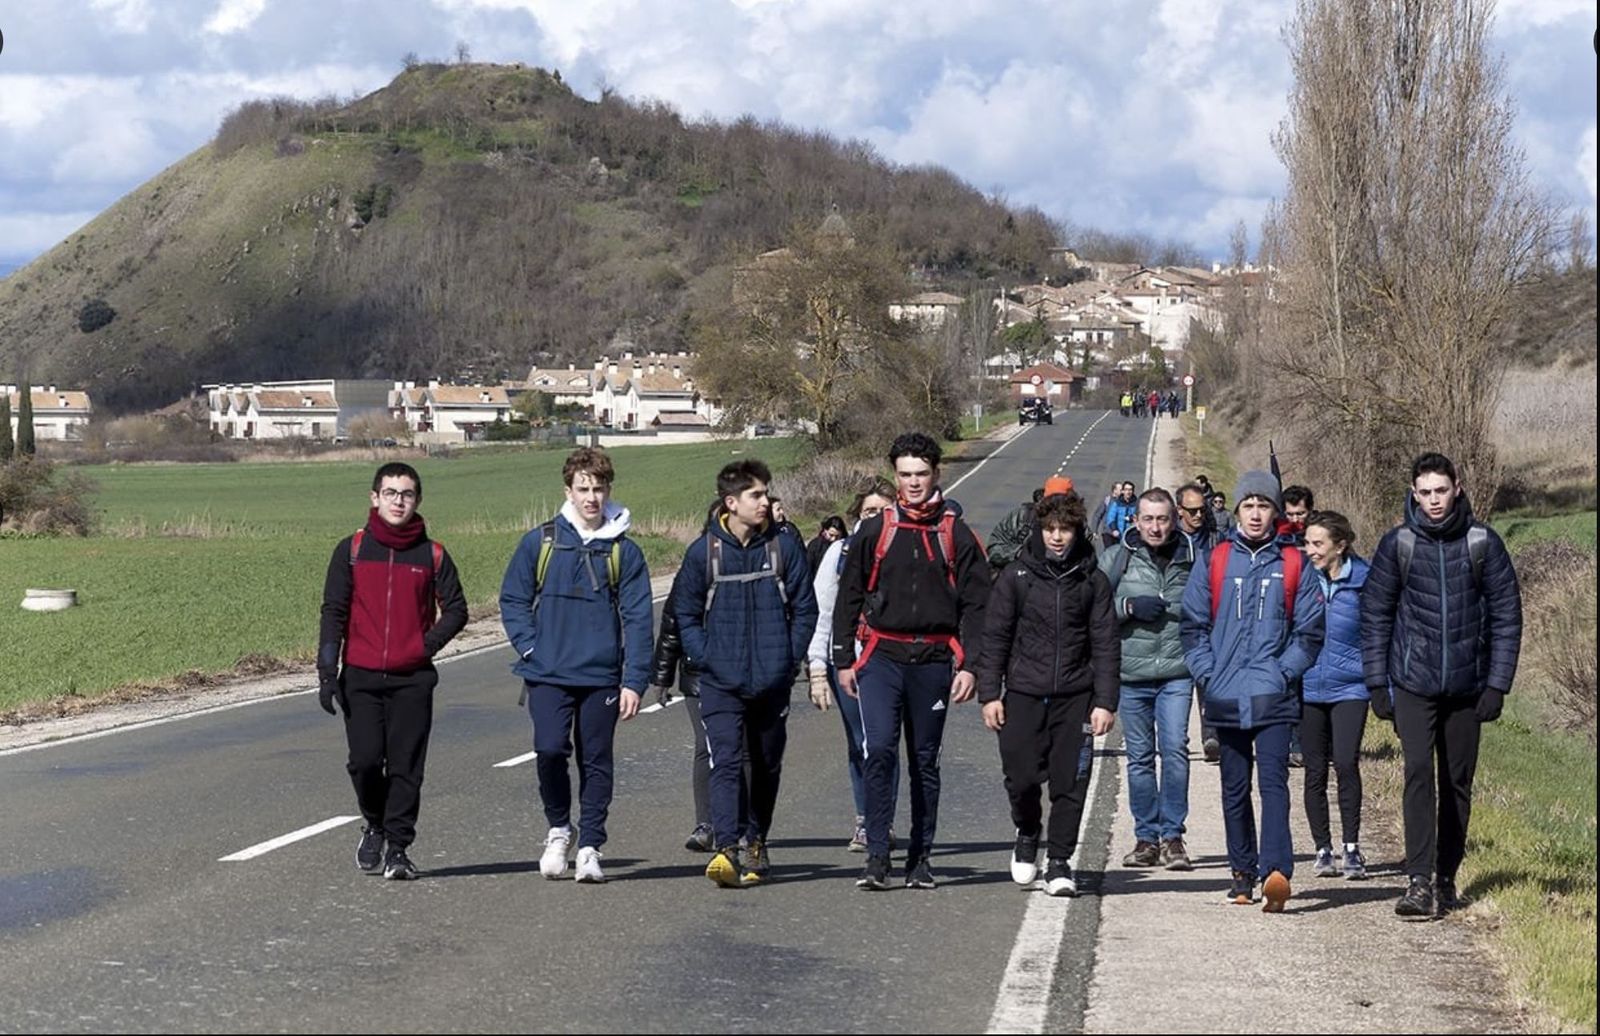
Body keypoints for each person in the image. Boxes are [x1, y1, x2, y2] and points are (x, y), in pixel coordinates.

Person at [1361, 452, 1522, 919]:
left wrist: (1498, 684)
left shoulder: (1483, 544)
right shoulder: (1398, 544)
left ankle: (1446, 877)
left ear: (1457, 488)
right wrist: (1377, 682)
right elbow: (1376, 616)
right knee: (1416, 773)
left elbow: (1508, 616)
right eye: (1425, 492)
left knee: (1456, 782)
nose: (1434, 501)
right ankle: (1417, 882)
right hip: (1413, 680)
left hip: (1468, 686)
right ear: (1414, 494)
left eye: (1441, 490)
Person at [834, 432, 990, 890]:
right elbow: (850, 595)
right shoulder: (875, 529)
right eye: (905, 475)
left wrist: (972, 666)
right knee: (879, 750)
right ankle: (877, 858)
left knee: (924, 761)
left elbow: (979, 607)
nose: (914, 483)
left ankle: (920, 859)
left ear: (937, 474)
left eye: (922, 474)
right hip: (882, 656)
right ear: (896, 477)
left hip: (935, 660)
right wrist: (844, 657)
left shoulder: (956, 533)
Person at [500, 447, 655, 885]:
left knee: (597, 761)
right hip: (547, 672)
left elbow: (640, 618)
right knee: (549, 749)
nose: (592, 497)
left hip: (602, 675)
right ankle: (558, 830)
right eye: (583, 488)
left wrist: (634, 680)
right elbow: (512, 599)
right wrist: (531, 649)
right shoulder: (542, 542)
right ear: (568, 490)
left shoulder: (625, 552)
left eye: (599, 488)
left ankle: (590, 846)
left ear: (609, 491)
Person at [1182, 470, 1325, 913]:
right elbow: (1192, 626)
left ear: (1275, 511)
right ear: (1238, 511)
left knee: (1274, 783)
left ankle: (1276, 872)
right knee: (1233, 786)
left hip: (1273, 694)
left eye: (1264, 505)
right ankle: (1241, 872)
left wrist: (1283, 674)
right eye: (1249, 506)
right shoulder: (1215, 559)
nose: (1257, 513)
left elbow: (1310, 632)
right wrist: (1207, 673)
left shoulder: (1293, 563)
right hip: (1224, 693)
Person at [318, 462, 469, 880]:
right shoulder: (352, 550)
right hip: (361, 677)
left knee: (406, 768)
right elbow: (334, 611)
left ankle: (399, 848)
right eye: (391, 493)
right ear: (375, 498)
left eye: (406, 494)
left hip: (412, 681)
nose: (398, 500)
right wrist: (327, 671)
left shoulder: (432, 553)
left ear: (417, 500)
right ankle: (375, 823)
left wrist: (423, 647)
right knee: (365, 762)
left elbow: (456, 609)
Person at [672, 459, 818, 888]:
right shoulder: (704, 552)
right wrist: (706, 657)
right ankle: (726, 847)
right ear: (730, 502)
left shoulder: (783, 547)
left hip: (772, 681)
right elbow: (685, 610)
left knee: (767, 764)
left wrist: (789, 659)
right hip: (720, 682)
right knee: (726, 761)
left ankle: (757, 839)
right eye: (757, 495)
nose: (766, 502)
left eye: (766, 493)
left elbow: (805, 608)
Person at [978, 491, 1119, 896]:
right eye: (1050, 529)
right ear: (1039, 530)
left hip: (1076, 697)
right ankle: (1027, 830)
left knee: (1070, 783)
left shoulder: (1093, 580)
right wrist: (991, 694)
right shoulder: (1015, 577)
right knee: (1021, 777)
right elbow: (995, 638)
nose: (1057, 537)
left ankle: (1059, 862)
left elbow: (1106, 643)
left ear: (1078, 532)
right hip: (1022, 693)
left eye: (1065, 529)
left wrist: (1105, 702)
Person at [1104, 488, 1199, 871]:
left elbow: (1212, 605)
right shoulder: (1118, 558)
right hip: (1131, 674)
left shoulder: (1194, 559)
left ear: (1174, 519)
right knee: (1140, 759)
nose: (1155, 527)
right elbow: (1090, 606)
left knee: (1175, 751)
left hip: (1177, 672)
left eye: (1162, 519)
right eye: (1148, 519)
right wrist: (1127, 607)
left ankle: (1173, 837)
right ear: (1136, 520)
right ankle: (1146, 838)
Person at [807, 478, 900, 851]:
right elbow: (822, 612)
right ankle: (866, 820)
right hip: (846, 660)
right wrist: (817, 668)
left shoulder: (904, 548)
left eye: (881, 510)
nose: (874, 518)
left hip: (892, 660)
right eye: (867, 512)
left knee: (883, 743)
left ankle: (883, 820)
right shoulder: (840, 553)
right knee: (860, 742)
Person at [649, 501, 746, 854]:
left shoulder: (763, 559)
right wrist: (661, 676)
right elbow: (673, 620)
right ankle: (707, 823)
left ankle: (741, 825)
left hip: (749, 671)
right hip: (700, 672)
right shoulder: (695, 564)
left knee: (744, 749)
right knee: (708, 747)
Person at [1300, 510, 1371, 881]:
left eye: (1317, 543)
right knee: (1314, 770)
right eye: (1307, 542)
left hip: (1351, 687)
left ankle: (1352, 847)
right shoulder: (1300, 579)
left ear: (1340, 545)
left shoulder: (1365, 579)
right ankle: (1322, 848)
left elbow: (1379, 634)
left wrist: (1383, 686)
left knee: (1345, 763)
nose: (1309, 550)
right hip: (1307, 686)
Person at [1174, 482, 1222, 764]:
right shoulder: (1170, 539)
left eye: (1201, 510)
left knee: (1209, 679)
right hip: (1178, 621)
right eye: (1191, 511)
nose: (1198, 516)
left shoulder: (1215, 538)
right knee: (1180, 685)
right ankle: (1177, 739)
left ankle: (1211, 736)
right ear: (1179, 510)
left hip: (1210, 619)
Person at [988, 476, 1075, 575]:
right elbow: (995, 548)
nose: (1056, 537)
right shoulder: (1022, 518)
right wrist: (1020, 554)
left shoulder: (1079, 526)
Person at [1102, 481, 1137, 548]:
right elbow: (1111, 517)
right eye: (1126, 490)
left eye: (1130, 490)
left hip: (1129, 535)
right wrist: (1114, 529)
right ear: (1123, 491)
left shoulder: (1136, 504)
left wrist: (1131, 518)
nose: (1128, 492)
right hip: (1118, 534)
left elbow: (1139, 516)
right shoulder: (1117, 503)